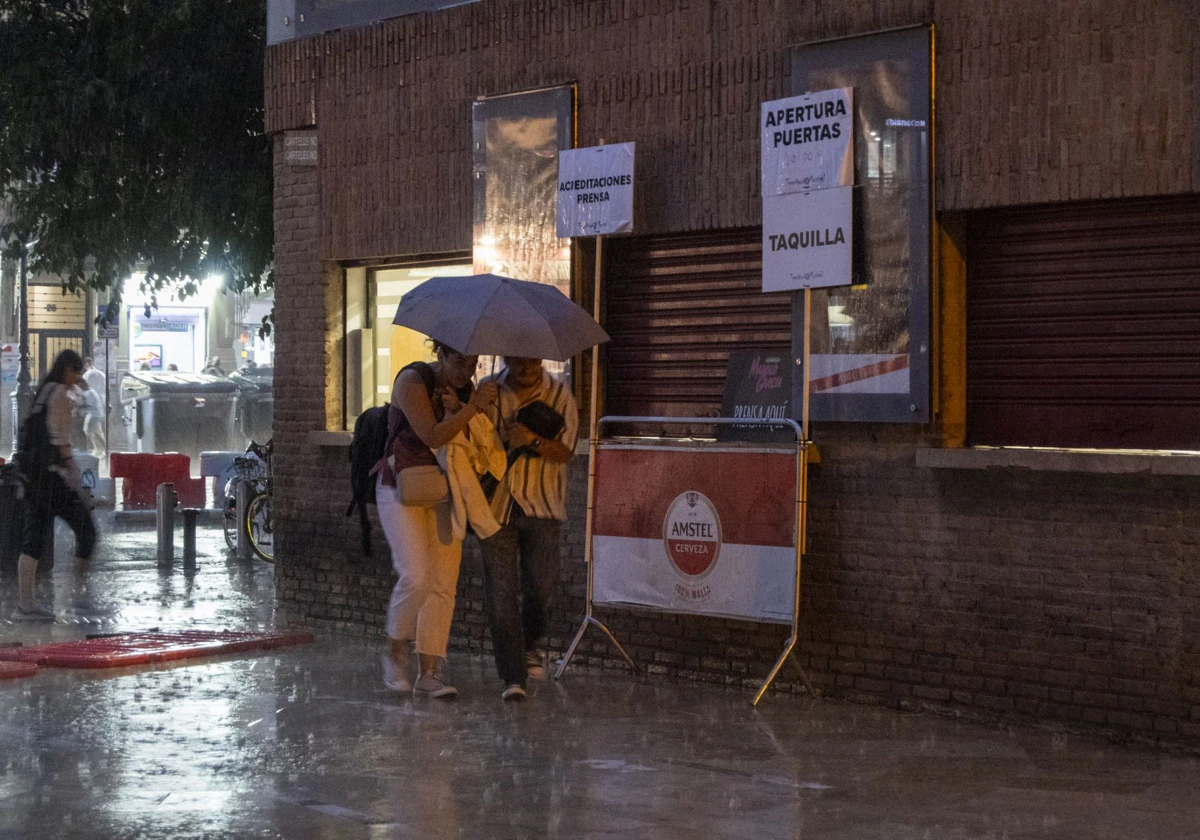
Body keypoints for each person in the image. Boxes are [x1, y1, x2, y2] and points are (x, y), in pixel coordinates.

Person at [375, 342, 498, 699]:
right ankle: (395, 647)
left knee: (443, 582)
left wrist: (476, 409)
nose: (467, 371)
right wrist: (470, 409)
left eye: (473, 363)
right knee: (417, 575)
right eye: (460, 361)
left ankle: (430, 671)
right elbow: (431, 435)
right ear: (440, 354)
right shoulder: (411, 380)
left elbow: (477, 441)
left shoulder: (465, 391)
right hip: (402, 486)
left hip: (446, 487)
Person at [478, 357, 578, 701]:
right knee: (501, 595)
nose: (528, 366)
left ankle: (529, 643)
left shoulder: (561, 395)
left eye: (534, 359)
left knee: (542, 588)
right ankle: (512, 677)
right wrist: (500, 439)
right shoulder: (488, 392)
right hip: (496, 508)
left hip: (543, 505)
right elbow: (475, 450)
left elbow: (567, 451)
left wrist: (531, 440)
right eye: (520, 359)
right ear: (506, 357)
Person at [11, 349, 98, 621]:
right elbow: (61, 441)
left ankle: (26, 606)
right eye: (77, 372)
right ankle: (79, 597)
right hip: (51, 479)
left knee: (32, 541)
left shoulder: (43, 391)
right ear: (67, 370)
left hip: (32, 477)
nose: (78, 378)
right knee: (87, 531)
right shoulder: (60, 393)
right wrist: (75, 479)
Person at [74, 380, 106, 458]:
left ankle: (99, 449)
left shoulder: (88, 393)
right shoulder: (91, 391)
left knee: (89, 431)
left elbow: (83, 403)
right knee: (94, 432)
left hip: (93, 414)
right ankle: (99, 449)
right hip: (95, 414)